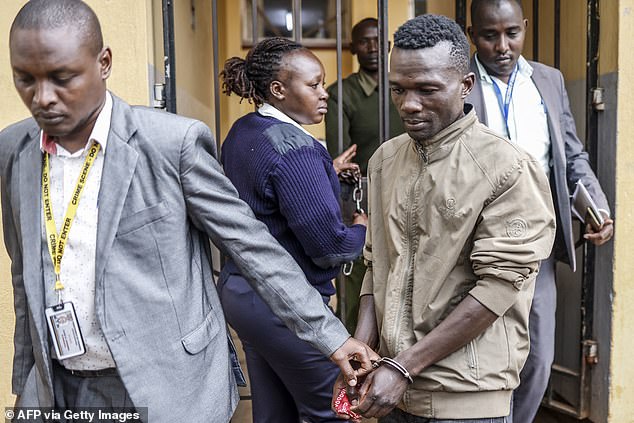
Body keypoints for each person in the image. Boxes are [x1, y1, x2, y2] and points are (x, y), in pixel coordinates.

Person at [0, 1, 377, 422]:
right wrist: (27, 389)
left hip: (164, 385)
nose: (43, 98)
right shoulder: (13, 149)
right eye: (25, 80)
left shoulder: (170, 144)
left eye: (61, 77)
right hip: (61, 384)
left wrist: (332, 338)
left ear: (103, 63)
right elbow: (25, 277)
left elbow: (253, 246)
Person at [334, 14, 557, 421]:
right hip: (391, 392)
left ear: (465, 85)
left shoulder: (508, 168)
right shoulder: (385, 159)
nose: (409, 104)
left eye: (427, 89)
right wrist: (361, 350)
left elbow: (496, 289)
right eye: (398, 89)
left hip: (467, 400)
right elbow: (376, 264)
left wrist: (404, 366)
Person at [466, 1, 614, 421]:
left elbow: (570, 154)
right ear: (472, 33)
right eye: (489, 35)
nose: (502, 46)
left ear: (525, 28)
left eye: (512, 33)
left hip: (538, 240)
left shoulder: (548, 80)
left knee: (538, 353)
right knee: (480, 350)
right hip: (476, 238)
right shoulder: (461, 83)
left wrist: (597, 205)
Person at [218, 37, 368, 423]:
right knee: (331, 410)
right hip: (285, 304)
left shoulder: (244, 130)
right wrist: (362, 228)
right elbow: (331, 247)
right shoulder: (298, 150)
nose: (324, 95)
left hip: (242, 293)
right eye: (314, 85)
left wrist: (324, 173)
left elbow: (262, 188)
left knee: (274, 413)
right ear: (279, 89)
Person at [324, 17, 404, 333]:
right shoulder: (342, 93)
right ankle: (353, 355)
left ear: (387, 45)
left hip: (407, 192)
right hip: (360, 198)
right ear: (353, 47)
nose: (371, 47)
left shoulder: (403, 87)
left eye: (377, 40)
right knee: (357, 280)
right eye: (363, 41)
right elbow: (342, 155)